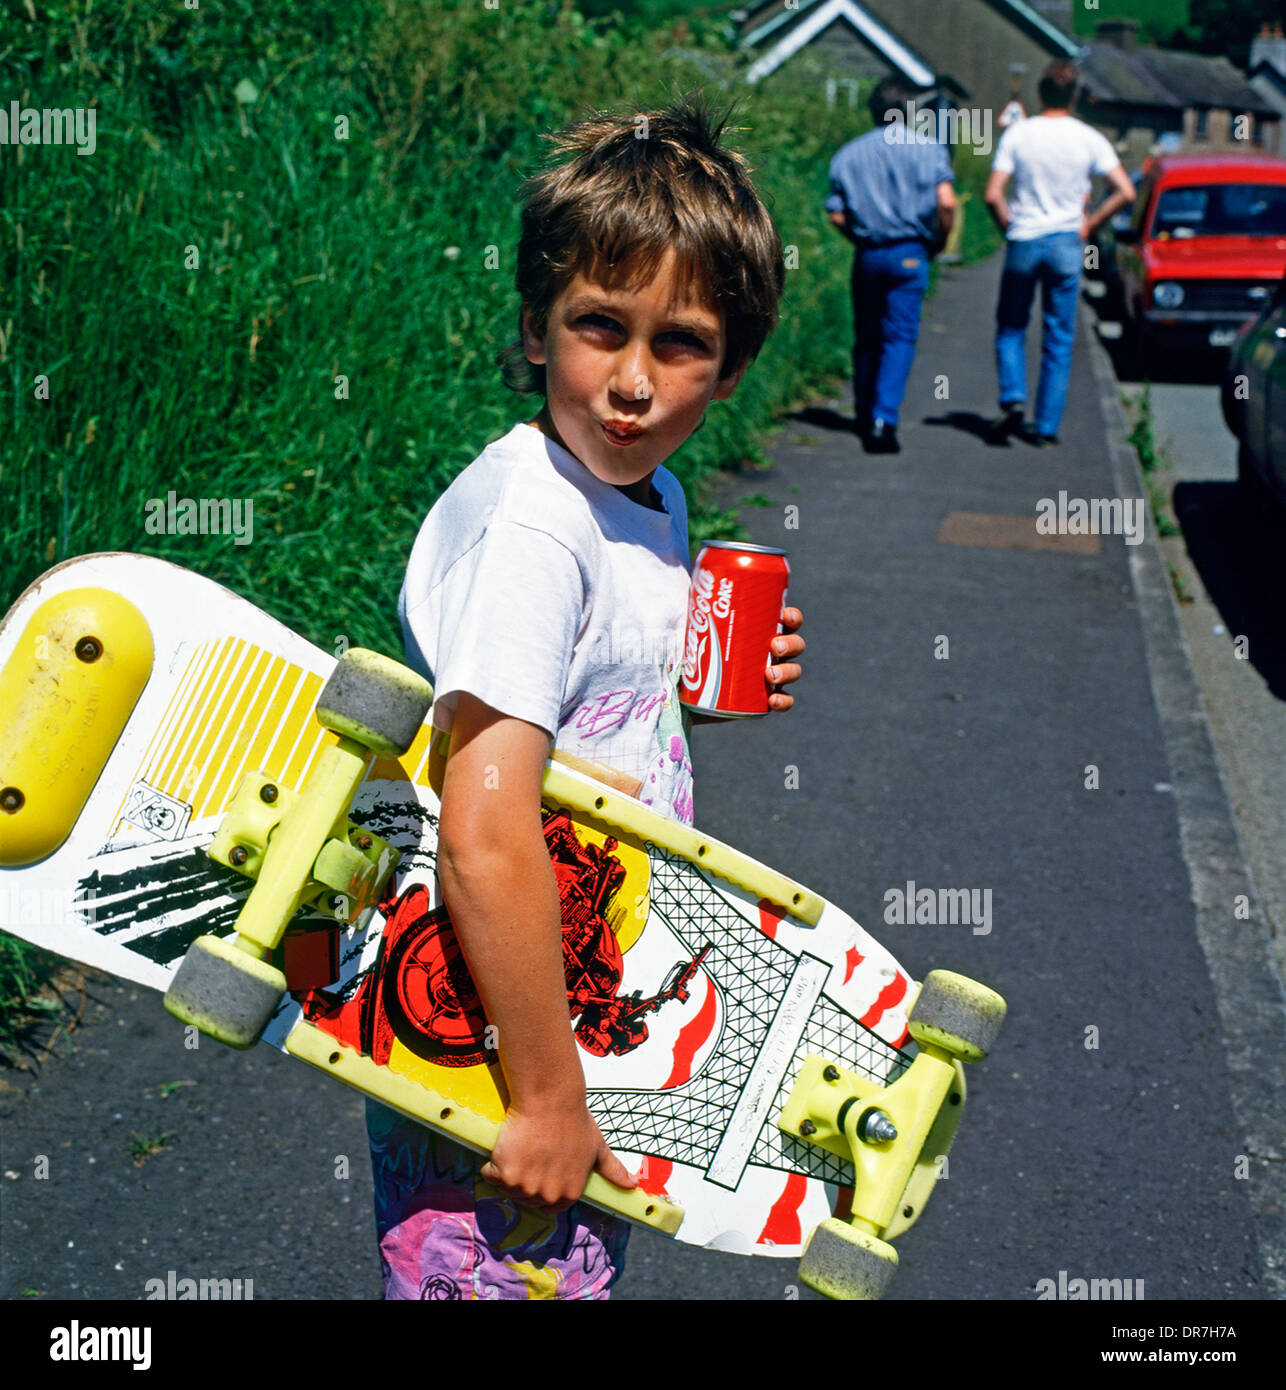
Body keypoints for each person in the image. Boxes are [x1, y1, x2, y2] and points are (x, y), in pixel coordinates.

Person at [365, 95, 804, 1301]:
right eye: (597, 326)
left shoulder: (642, 499)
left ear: (730, 368)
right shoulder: (534, 527)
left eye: (679, 345)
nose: (628, 381)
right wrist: (546, 1092)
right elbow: (483, 823)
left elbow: (576, 719)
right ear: (532, 324)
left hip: (581, 994)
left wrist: (694, 696)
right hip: (488, 1035)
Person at [983, 61, 1135, 446]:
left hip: (1025, 238)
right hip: (1067, 241)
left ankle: (1013, 395)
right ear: (1075, 96)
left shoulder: (1019, 135)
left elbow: (993, 193)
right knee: (1060, 334)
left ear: (1040, 93)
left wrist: (1010, 228)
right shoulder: (1089, 138)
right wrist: (1090, 224)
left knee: (1011, 325)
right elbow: (1125, 192)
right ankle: (1046, 424)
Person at [825, 78, 957, 453]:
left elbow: (836, 214)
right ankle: (885, 418)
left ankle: (863, 412)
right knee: (899, 336)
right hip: (912, 251)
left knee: (866, 336)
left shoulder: (848, 154)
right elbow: (946, 203)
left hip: (869, 253)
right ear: (909, 112)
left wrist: (861, 240)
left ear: (873, 110)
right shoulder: (930, 150)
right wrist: (939, 243)